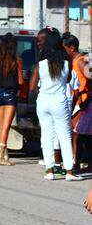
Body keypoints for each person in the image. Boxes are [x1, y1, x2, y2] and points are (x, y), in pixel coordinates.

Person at [30, 30, 82, 181]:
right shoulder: (67, 64)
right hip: (59, 101)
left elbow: (32, 86)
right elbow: (68, 81)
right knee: (64, 136)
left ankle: (49, 170)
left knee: (46, 135)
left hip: (43, 101)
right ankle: (70, 172)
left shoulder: (40, 64)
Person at [0, 33, 23, 165]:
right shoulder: (18, 60)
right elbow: (20, 81)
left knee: (1, 125)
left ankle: (5, 155)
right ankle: (0, 156)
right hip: (10, 94)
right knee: (6, 127)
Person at [63, 33, 92, 174]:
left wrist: (87, 99)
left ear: (72, 48)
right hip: (80, 101)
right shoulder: (73, 62)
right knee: (84, 136)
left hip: (85, 102)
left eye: (65, 48)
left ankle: (76, 164)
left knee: (78, 135)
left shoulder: (81, 61)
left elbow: (91, 80)